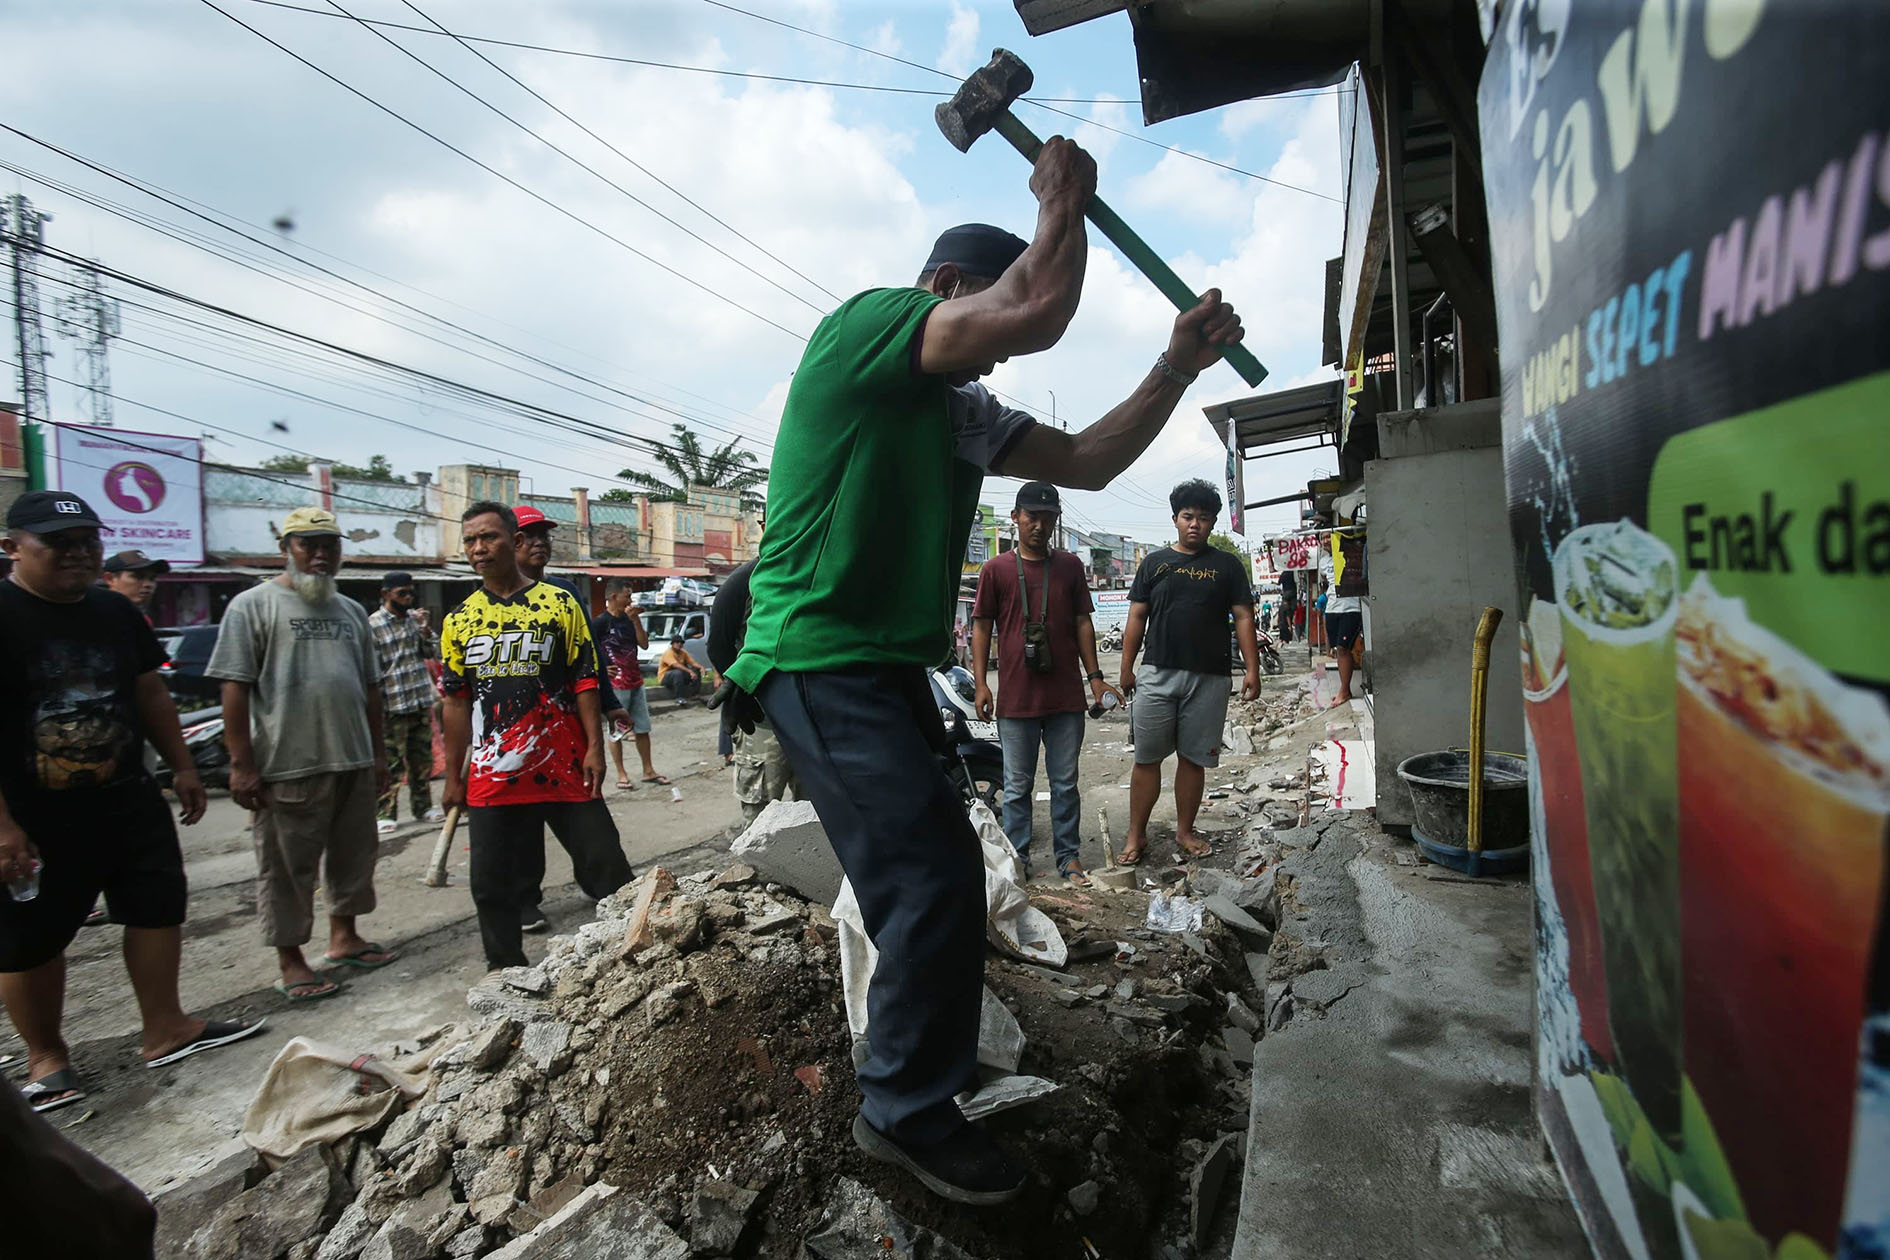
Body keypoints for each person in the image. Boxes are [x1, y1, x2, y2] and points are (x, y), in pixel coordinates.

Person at [718, 135, 1244, 1205]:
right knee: (930, 878)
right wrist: (1062, 202)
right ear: (951, 289)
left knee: (938, 872)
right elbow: (1039, 306)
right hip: (815, 656)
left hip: (879, 667)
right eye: (987, 324)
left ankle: (920, 1073)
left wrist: (1177, 365)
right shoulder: (868, 327)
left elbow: (1090, 460)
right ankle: (902, 1111)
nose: (998, 360)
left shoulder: (961, 413)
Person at [1, 492, 264, 1113]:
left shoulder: (114, 612)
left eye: (87, 541)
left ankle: (166, 1027)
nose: (78, 553)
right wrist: (3, 824)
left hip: (126, 795)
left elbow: (150, 692)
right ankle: (48, 1059)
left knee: (156, 906)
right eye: (59, 544)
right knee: (30, 936)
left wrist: (181, 768)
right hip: (32, 813)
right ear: (13, 547)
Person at [208, 506, 396, 1003]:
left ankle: (344, 937)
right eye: (307, 544)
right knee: (287, 868)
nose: (319, 555)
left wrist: (378, 755)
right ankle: (292, 961)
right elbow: (235, 688)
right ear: (285, 549)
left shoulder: (352, 611)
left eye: (328, 546)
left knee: (355, 856)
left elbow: (371, 689)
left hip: (352, 757)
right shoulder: (252, 606)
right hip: (287, 762)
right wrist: (242, 765)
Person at [440, 502, 634, 971]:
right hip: (493, 773)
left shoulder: (560, 603)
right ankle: (505, 976)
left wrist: (594, 747)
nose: (479, 548)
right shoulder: (460, 619)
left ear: (513, 539)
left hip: (564, 763)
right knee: (491, 884)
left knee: (607, 863)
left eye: (489, 537)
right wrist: (452, 776)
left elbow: (585, 680)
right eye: (470, 541)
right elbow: (455, 702)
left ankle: (636, 950)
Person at [970, 481, 1117, 885]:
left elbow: (1083, 622)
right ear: (1015, 518)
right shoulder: (995, 569)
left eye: (1047, 517)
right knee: (1016, 787)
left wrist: (1096, 679)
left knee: (1065, 783)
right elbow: (982, 626)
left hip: (1066, 697)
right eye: (1031, 516)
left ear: (1055, 521)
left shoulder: (1069, 566)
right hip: (1016, 698)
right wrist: (982, 683)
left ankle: (1067, 857)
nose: (1038, 524)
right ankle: (1017, 858)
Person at [1118, 480, 1261, 866]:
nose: (1194, 524)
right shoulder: (1154, 563)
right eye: (1187, 517)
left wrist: (1252, 668)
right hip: (1157, 673)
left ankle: (1184, 830)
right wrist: (1126, 668)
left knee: (1193, 759)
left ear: (1213, 522)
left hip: (1210, 678)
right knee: (1146, 759)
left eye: (1202, 518)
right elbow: (1136, 617)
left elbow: (1243, 616)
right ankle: (1136, 835)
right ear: (1175, 519)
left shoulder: (1227, 565)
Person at [512, 504, 637, 928]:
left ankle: (607, 883)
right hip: (512, 737)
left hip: (565, 731)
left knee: (588, 817)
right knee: (521, 825)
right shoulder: (484, 605)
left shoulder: (565, 594)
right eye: (528, 536)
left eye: (543, 535)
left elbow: (589, 659)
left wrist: (608, 702)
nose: (538, 542)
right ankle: (523, 899)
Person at [705, 560, 799, 824]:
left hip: (817, 724)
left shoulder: (819, 564)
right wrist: (743, 696)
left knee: (823, 820)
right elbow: (718, 646)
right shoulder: (745, 579)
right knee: (761, 821)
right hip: (763, 724)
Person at [369, 570, 443, 833]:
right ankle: (385, 812)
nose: (408, 597)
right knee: (391, 764)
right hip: (392, 706)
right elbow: (371, 671)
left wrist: (425, 630)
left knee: (421, 760)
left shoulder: (415, 620)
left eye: (411, 592)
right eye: (402, 593)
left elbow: (432, 652)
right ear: (386, 594)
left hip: (419, 700)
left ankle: (423, 807)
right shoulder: (373, 625)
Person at [591, 579, 673, 790]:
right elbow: (587, 649)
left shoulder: (629, 620)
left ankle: (648, 770)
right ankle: (621, 774)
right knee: (616, 731)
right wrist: (600, 669)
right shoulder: (600, 622)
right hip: (615, 685)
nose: (630, 600)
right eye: (627, 596)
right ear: (613, 597)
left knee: (643, 728)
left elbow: (644, 644)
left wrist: (636, 621)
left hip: (635, 680)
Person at [1322, 535, 1368, 706]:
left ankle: (1344, 690)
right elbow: (1327, 581)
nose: (1325, 541)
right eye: (1322, 538)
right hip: (1332, 608)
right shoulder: (1323, 562)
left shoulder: (1351, 553)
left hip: (1351, 608)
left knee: (1343, 647)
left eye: (1328, 537)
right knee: (1338, 650)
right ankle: (1344, 690)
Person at [100, 549, 168, 620]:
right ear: (110, 579)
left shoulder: (143, 620)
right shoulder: (94, 617)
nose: (148, 584)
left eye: (152, 579)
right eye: (138, 577)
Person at [657, 636, 704, 706]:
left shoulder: (683, 652)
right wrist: (690, 671)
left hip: (680, 676)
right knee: (677, 673)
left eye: (681, 642)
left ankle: (694, 695)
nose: (679, 644)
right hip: (665, 677)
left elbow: (692, 663)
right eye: (677, 642)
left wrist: (701, 667)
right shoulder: (668, 653)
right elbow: (675, 665)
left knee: (696, 670)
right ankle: (679, 698)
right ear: (672, 644)